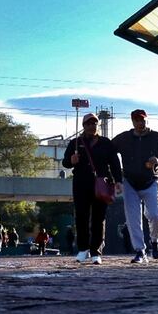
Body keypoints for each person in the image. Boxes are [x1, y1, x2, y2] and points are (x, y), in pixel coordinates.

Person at [62, 112, 123, 265]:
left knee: (99, 218)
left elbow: (115, 163)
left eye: (94, 123)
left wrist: (118, 181)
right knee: (81, 217)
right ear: (83, 126)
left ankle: (96, 251)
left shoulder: (106, 143)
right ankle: (83, 249)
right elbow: (65, 163)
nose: (91, 126)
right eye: (88, 123)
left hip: (101, 184)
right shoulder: (75, 143)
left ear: (97, 125)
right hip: (81, 183)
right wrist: (71, 160)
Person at [113, 109, 158, 264]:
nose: (140, 123)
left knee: (155, 215)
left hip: (151, 181)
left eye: (143, 120)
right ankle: (140, 251)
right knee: (133, 219)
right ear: (132, 122)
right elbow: (109, 151)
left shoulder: (156, 137)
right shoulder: (124, 138)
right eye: (137, 120)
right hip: (130, 182)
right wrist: (115, 176)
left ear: (147, 120)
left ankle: (155, 240)